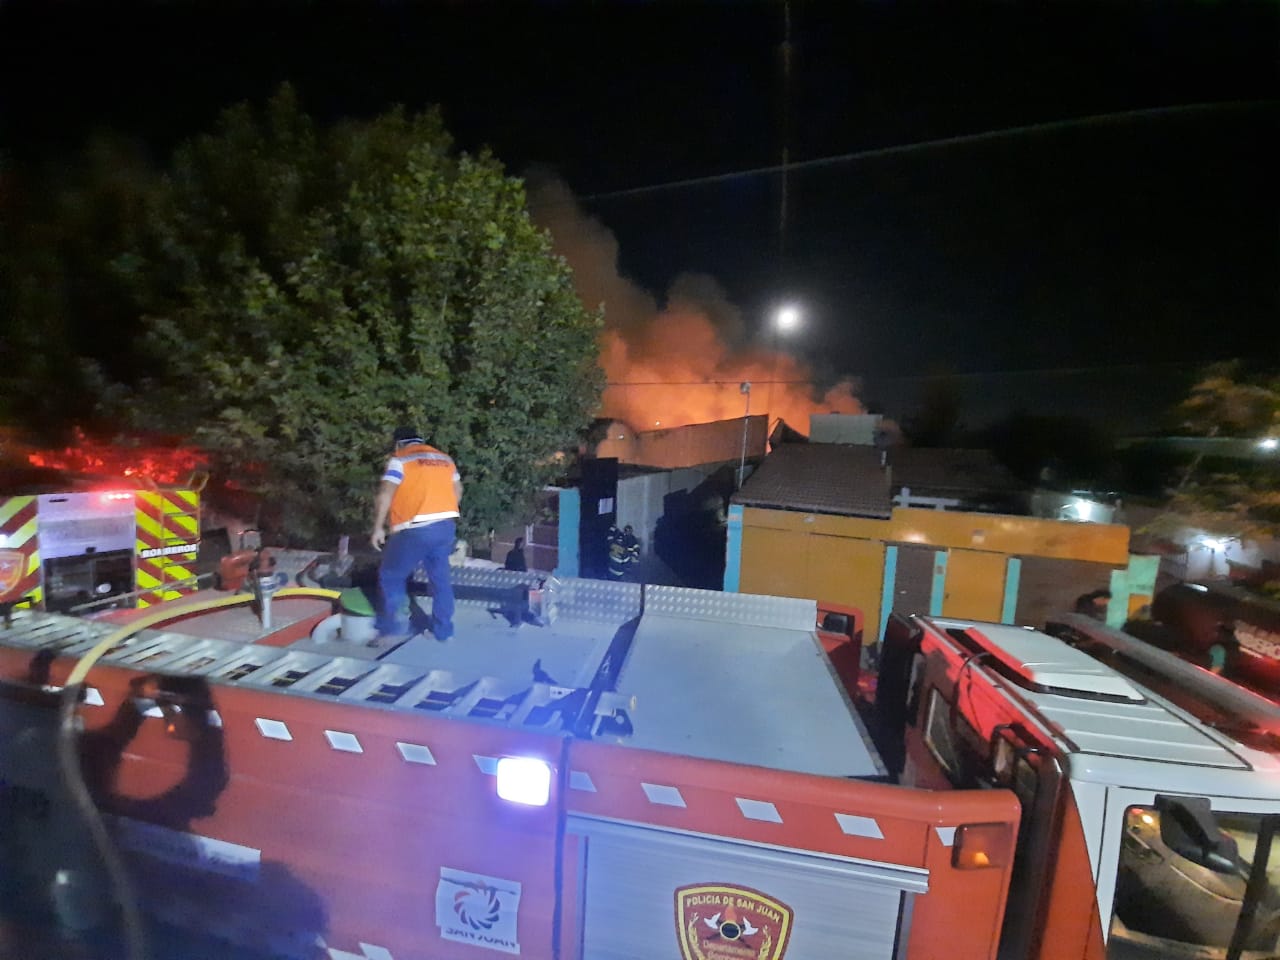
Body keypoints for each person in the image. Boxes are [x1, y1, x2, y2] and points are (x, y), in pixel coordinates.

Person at [371, 426, 462, 643]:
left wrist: (378, 527)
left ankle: (394, 627)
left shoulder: (400, 460)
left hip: (415, 528)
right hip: (445, 526)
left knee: (391, 575)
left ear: (398, 443)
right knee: (440, 579)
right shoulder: (445, 459)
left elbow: (385, 494)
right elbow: (458, 490)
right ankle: (443, 631)